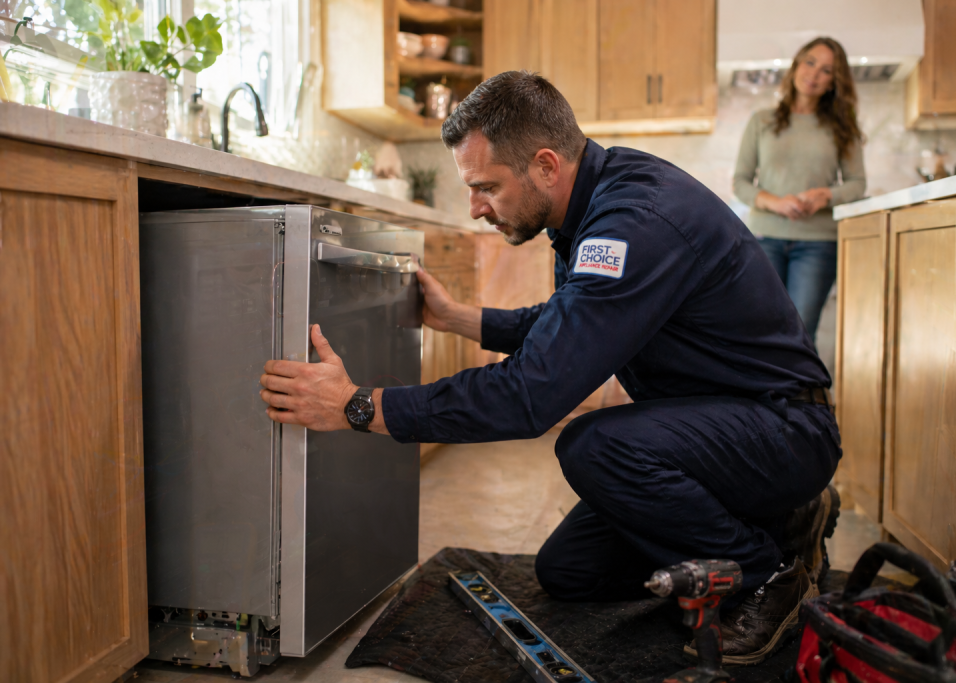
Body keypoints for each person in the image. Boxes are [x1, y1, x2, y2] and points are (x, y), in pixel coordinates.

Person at [259, 71, 842, 665]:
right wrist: (461, 318)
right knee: (570, 571)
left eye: (486, 186)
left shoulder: (635, 223)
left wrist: (360, 406)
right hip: (725, 427)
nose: (475, 207)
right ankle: (777, 518)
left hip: (784, 429)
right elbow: (571, 323)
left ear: (544, 166)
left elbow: (531, 395)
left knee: (596, 446)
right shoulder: (592, 206)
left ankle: (766, 573)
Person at [733, 37, 866, 344]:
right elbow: (740, 182)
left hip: (818, 243)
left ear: (835, 81)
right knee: (762, 331)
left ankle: (803, 394)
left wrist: (826, 196)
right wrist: (776, 203)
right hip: (765, 239)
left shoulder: (842, 126)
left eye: (827, 70)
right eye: (810, 62)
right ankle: (767, 394)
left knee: (800, 333)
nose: (815, 74)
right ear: (796, 65)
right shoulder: (761, 121)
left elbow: (857, 183)